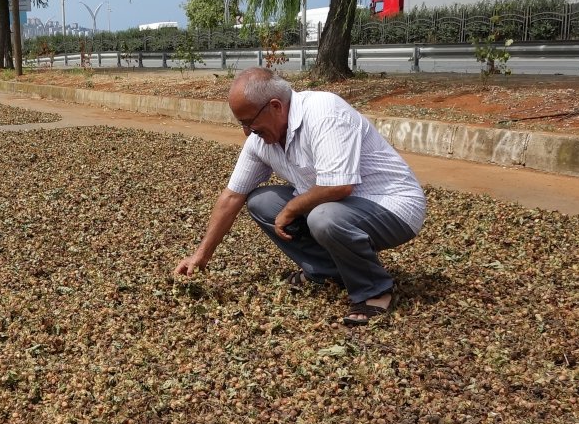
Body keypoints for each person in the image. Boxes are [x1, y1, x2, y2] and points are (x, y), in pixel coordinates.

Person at [173, 67, 426, 325]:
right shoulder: (261, 140)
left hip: (393, 205)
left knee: (322, 217)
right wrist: (200, 256)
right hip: (340, 207)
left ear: (275, 106)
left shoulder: (324, 112)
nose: (247, 132)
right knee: (262, 202)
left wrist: (292, 209)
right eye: (242, 124)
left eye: (250, 122)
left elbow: (339, 186)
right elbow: (232, 196)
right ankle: (328, 271)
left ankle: (375, 289)